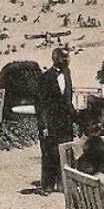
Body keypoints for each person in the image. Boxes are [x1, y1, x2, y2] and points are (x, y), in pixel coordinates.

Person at [35, 48, 76, 195]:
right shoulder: (45, 78)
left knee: (66, 151)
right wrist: (43, 126)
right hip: (51, 122)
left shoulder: (67, 74)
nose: (68, 60)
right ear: (56, 59)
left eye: (68, 58)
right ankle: (47, 185)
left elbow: (68, 99)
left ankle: (62, 184)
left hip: (65, 121)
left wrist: (75, 118)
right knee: (49, 153)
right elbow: (40, 105)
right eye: (64, 58)